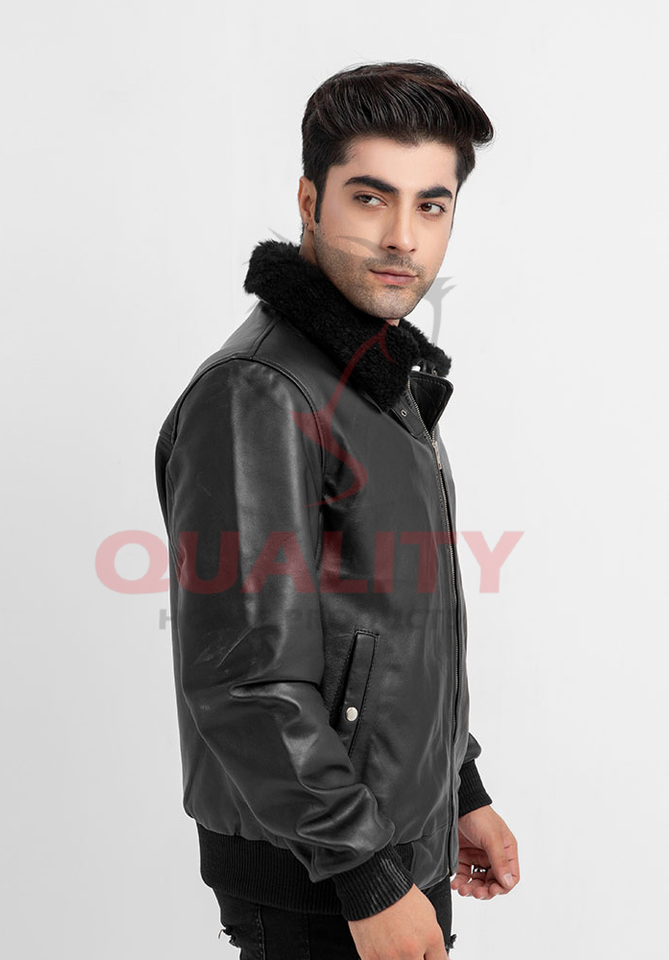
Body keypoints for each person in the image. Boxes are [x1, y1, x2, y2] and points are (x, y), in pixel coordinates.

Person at [154, 60, 520, 960]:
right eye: (370, 198)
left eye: (430, 206)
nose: (402, 237)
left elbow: (386, 629)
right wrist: (363, 874)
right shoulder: (260, 391)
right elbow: (246, 680)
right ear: (309, 201)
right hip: (323, 878)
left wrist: (460, 787)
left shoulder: (373, 375)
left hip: (383, 843)